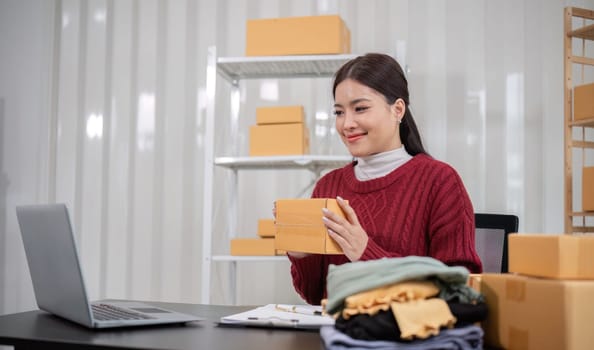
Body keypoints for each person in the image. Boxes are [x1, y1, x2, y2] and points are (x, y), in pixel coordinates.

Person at [287, 53, 482, 306]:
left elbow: (459, 289)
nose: (347, 124)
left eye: (360, 108)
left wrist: (365, 252)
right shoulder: (328, 186)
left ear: (397, 109)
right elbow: (315, 294)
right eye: (339, 112)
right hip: (339, 336)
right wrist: (300, 253)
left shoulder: (440, 182)